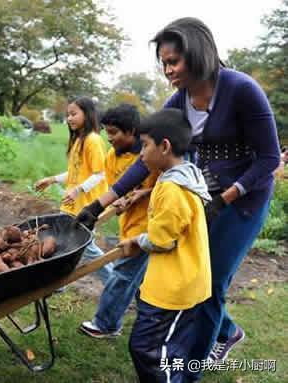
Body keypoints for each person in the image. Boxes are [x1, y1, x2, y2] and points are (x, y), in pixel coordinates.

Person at [76, 17, 280, 373]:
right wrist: (98, 204)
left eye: (173, 62)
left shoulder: (241, 89)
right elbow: (147, 159)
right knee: (191, 275)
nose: (167, 70)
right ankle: (227, 331)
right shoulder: (179, 99)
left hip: (244, 201)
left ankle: (190, 369)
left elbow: (269, 159)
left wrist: (226, 198)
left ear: (198, 54)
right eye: (164, 63)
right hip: (205, 197)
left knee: (211, 281)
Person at [123, 108, 212, 382]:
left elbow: (162, 241)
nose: (141, 153)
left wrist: (137, 240)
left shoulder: (173, 189)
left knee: (147, 349)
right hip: (182, 282)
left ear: (164, 146)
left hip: (173, 290)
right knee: (172, 350)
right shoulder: (184, 177)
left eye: (145, 145)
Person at [79, 104, 159, 338]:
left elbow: (168, 187)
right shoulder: (112, 157)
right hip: (129, 223)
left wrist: (143, 193)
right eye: (106, 131)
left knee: (123, 273)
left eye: (114, 132)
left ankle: (106, 323)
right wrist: (119, 202)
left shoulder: (150, 155)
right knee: (140, 280)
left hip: (148, 225)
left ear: (132, 131)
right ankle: (153, 321)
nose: (109, 137)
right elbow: (117, 189)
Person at [34, 96, 111, 284]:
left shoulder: (93, 141)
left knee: (86, 249)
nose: (69, 118)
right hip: (71, 205)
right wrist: (52, 180)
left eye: (74, 114)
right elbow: (75, 173)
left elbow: (99, 174)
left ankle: (115, 283)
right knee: (70, 245)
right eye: (68, 114)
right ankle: (58, 281)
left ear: (88, 114)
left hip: (85, 206)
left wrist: (78, 191)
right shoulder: (78, 140)